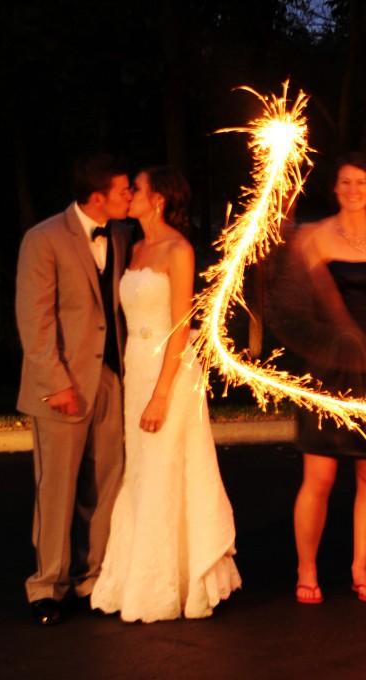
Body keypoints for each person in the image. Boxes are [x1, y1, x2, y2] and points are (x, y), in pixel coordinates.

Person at [91, 166, 241, 621]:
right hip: (136, 368)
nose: (129, 195)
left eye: (136, 188)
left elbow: (181, 328)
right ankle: (140, 570)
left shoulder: (179, 249)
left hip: (169, 373)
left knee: (165, 468)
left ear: (157, 199)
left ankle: (168, 582)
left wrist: (160, 395)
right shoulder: (132, 247)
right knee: (141, 471)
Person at [16, 153, 132, 625]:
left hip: (112, 379)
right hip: (63, 383)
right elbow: (35, 319)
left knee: (106, 485)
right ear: (98, 195)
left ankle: (93, 578)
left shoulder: (123, 234)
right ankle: (47, 587)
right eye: (124, 190)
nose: (131, 196)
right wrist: (55, 383)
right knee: (57, 488)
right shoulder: (43, 238)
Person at [292, 153, 366, 604]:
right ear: (335, 189)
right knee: (319, 476)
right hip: (325, 368)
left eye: (361, 181)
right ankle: (307, 571)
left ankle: (361, 568)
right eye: (345, 182)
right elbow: (296, 302)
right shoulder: (314, 238)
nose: (354, 189)